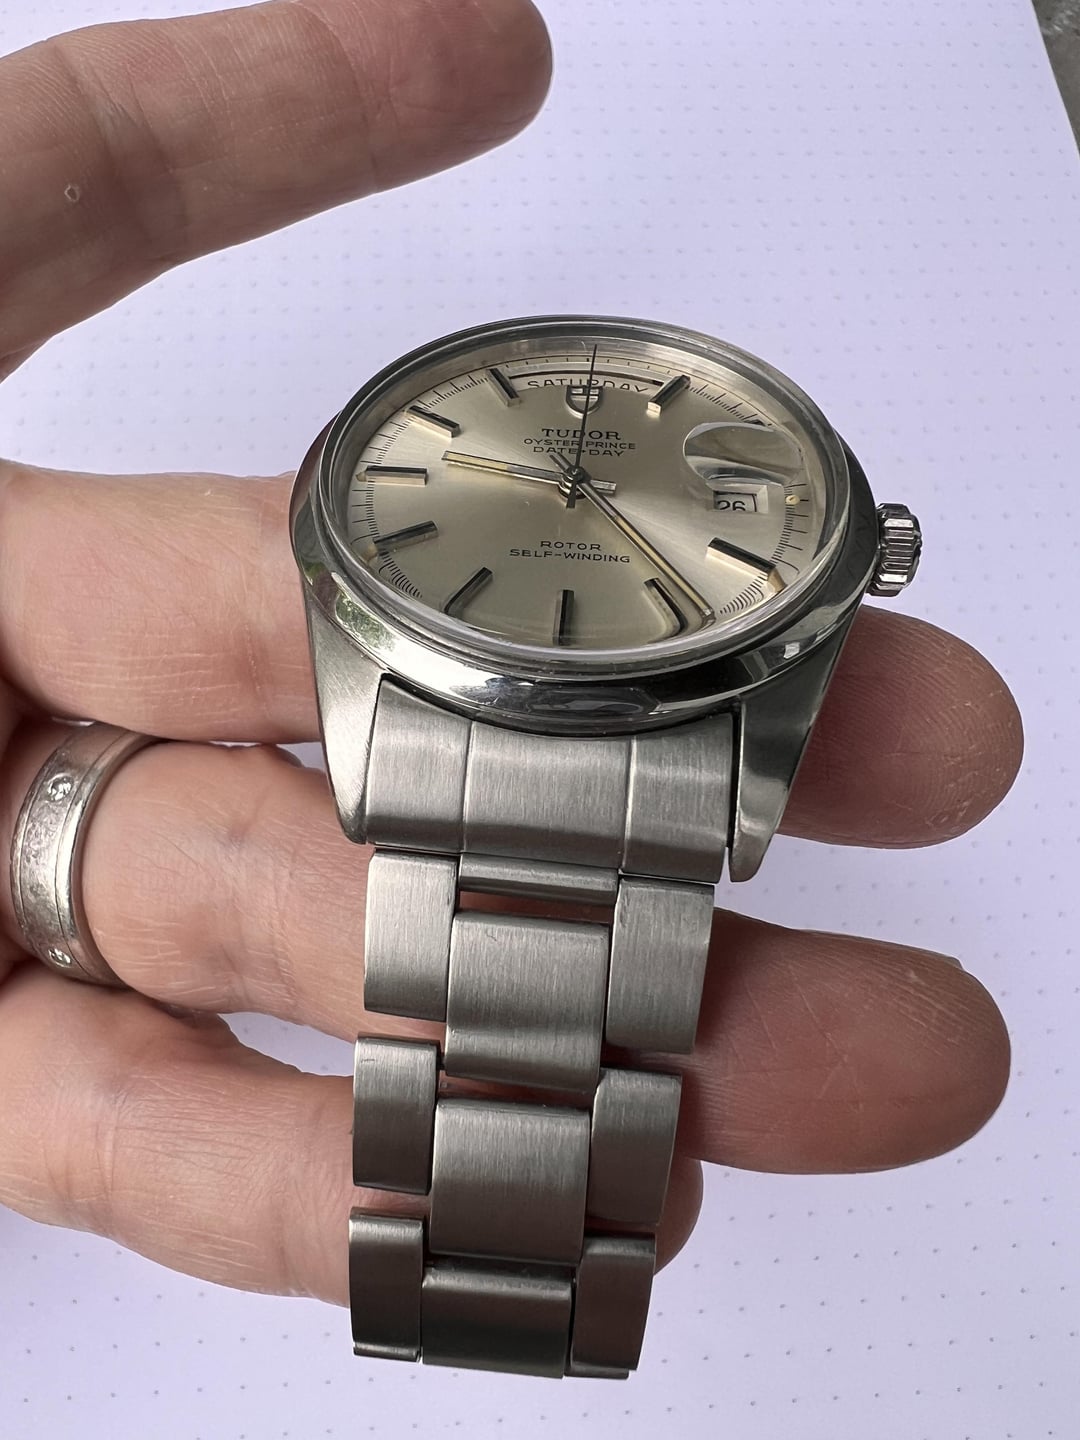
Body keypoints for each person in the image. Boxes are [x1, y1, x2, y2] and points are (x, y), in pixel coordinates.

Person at [0, 0, 1019, 1311]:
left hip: (657, 722)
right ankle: (485, 1282)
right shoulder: (357, 533)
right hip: (424, 680)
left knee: (608, 1025)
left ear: (863, 552)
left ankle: (530, 1285)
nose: (579, 493)